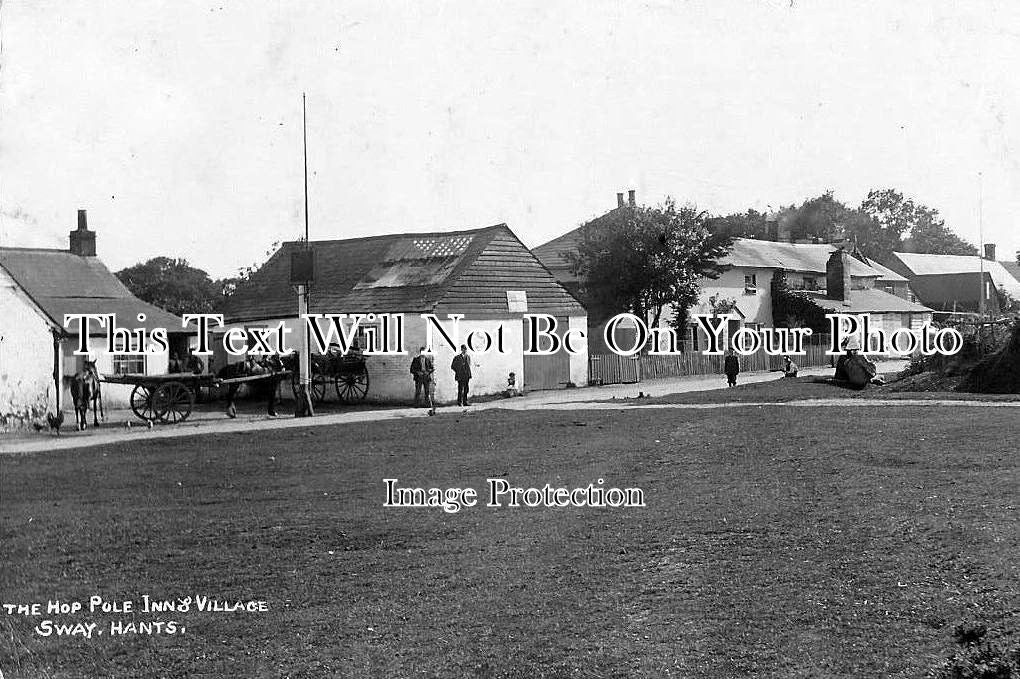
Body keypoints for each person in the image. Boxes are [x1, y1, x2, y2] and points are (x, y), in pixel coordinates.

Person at [420, 348, 436, 416]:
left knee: (427, 391)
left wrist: (428, 372)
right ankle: (417, 405)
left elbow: (432, 368)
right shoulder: (416, 359)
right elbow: (412, 369)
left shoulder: (427, 360)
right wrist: (418, 372)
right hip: (419, 378)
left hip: (426, 377)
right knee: (418, 391)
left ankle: (426, 404)